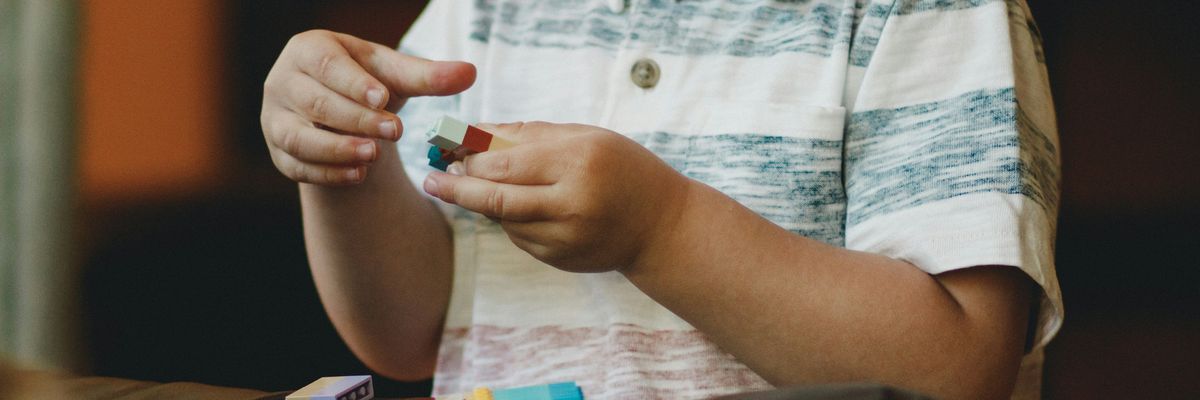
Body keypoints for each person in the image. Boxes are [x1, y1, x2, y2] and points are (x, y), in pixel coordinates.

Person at [259, 0, 1063, 399]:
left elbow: (962, 362)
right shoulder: (485, 11)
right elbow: (414, 334)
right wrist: (345, 161)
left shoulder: (928, 14)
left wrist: (661, 230)